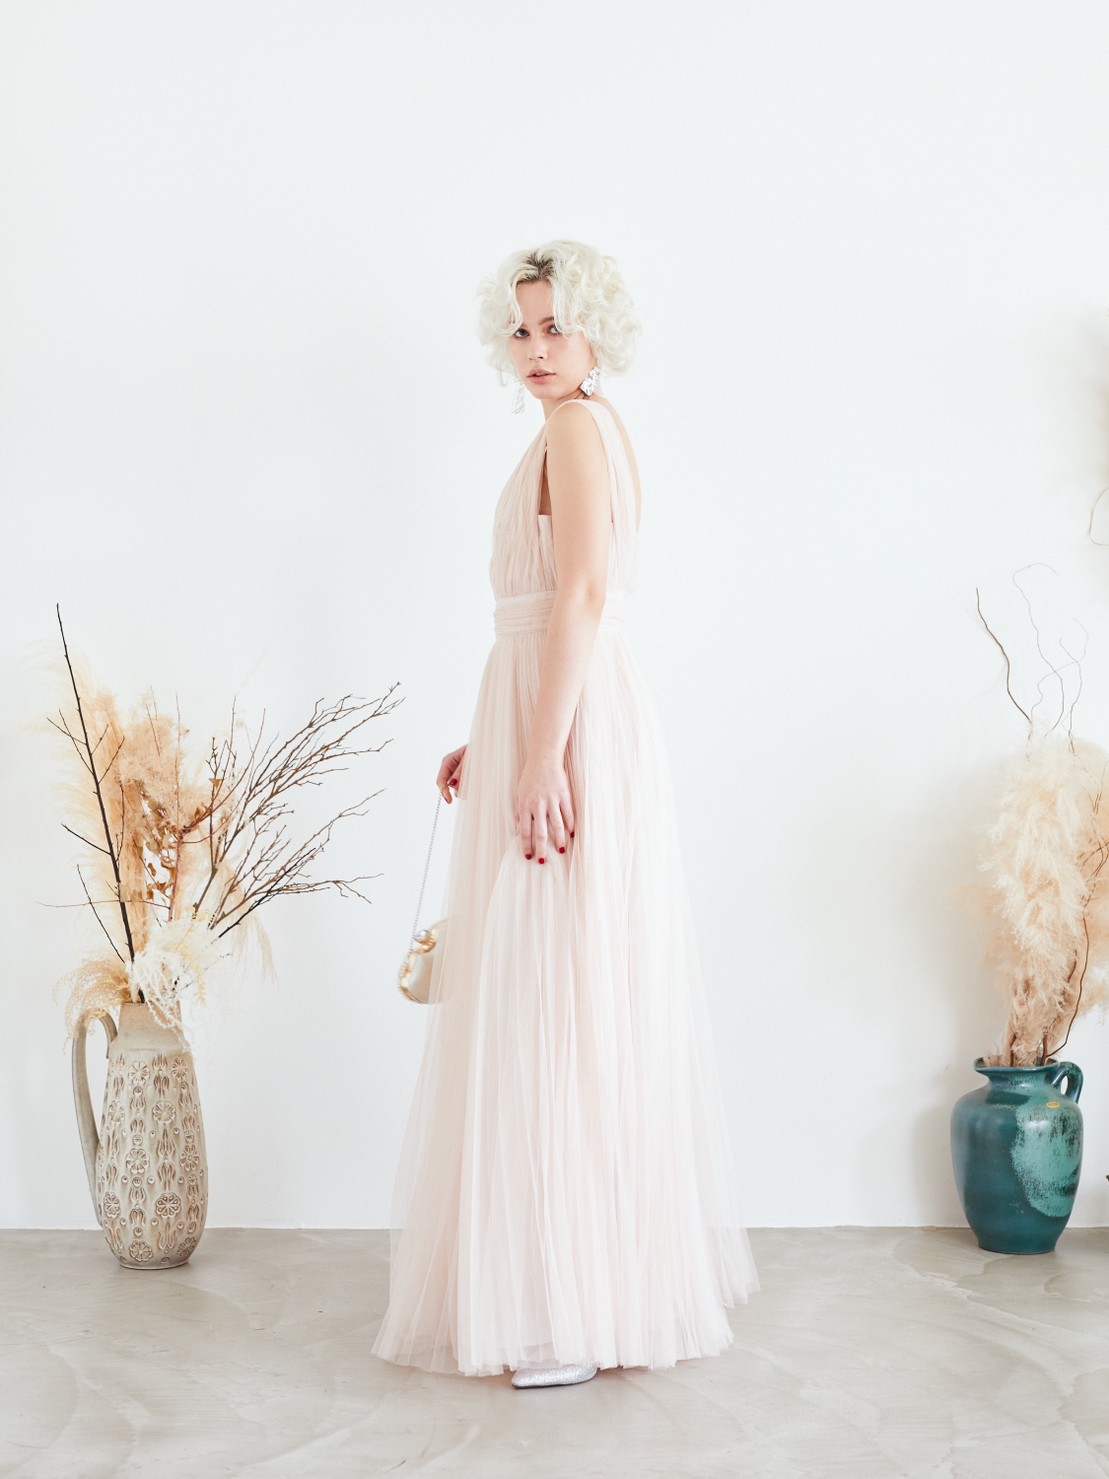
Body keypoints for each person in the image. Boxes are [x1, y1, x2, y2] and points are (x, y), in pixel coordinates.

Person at [371, 240, 759, 1387]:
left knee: (553, 995)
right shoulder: (570, 430)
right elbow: (545, 612)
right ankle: (568, 1289)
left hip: (571, 728)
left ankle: (560, 1311)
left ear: (597, 333)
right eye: (520, 327)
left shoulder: (580, 430)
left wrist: (540, 756)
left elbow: (583, 594)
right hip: (552, 712)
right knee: (557, 987)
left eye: (555, 326)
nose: (535, 348)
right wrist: (491, 738)